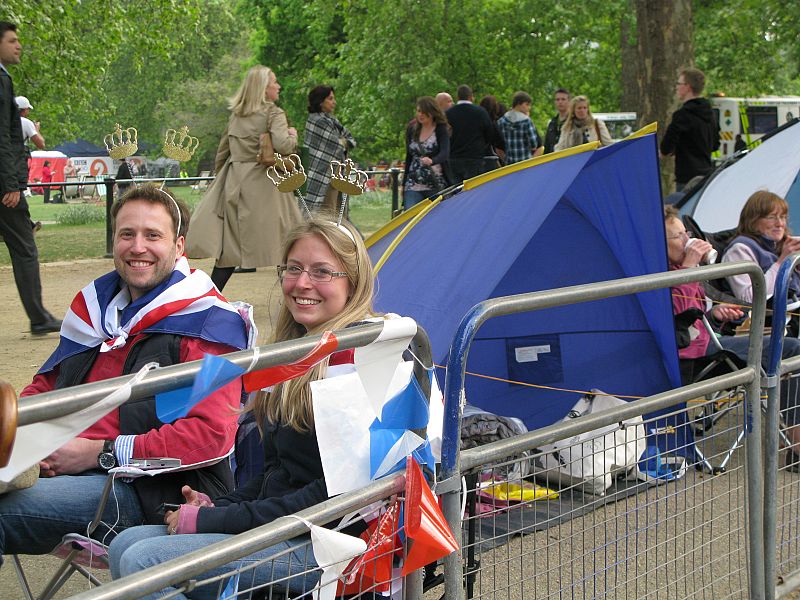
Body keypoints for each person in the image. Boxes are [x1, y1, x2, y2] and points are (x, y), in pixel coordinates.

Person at [109, 217, 395, 599]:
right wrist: (216, 505)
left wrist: (215, 519)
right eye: (293, 268)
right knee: (125, 544)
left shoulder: (360, 360)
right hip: (296, 527)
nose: (302, 283)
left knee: (144, 561)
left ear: (353, 282)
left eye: (322, 272)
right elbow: (277, 474)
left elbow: (334, 499)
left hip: (339, 548)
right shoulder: (293, 354)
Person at [0, 183, 250, 564]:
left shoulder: (210, 325)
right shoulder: (96, 311)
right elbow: (49, 385)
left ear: (179, 246)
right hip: (63, 467)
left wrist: (96, 453)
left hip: (144, 489)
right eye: (127, 234)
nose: (138, 247)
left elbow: (209, 436)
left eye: (153, 235)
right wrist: (21, 431)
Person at [665, 205, 800, 456]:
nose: (688, 240)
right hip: (699, 357)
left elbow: (695, 317)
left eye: (686, 233)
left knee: (790, 348)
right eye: (678, 236)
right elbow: (679, 320)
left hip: (710, 341)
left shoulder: (679, 269)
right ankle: (796, 439)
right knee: (792, 349)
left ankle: (792, 434)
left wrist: (714, 314)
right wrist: (690, 266)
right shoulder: (667, 273)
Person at [185, 65, 301, 292]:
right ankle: (294, 300)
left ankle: (207, 298)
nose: (278, 86)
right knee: (286, 243)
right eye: (274, 82)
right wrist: (292, 136)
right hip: (268, 186)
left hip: (236, 185)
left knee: (230, 251)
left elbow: (222, 153)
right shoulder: (273, 113)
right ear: (263, 88)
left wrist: (223, 180)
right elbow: (282, 145)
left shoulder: (236, 117)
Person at [0, 21, 61, 335]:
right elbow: (3, 136)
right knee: (25, 247)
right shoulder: (0, 80)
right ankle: (38, 318)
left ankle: (39, 316)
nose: (18, 45)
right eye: (12, 40)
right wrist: (10, 184)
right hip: (3, 187)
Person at [721, 190, 800, 304]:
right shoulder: (739, 250)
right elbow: (748, 297)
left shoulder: (781, 245)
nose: (780, 224)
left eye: (782, 217)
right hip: (766, 318)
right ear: (753, 220)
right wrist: (782, 263)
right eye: (772, 217)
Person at [660, 67, 720, 191]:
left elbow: (665, 149)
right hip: (706, 174)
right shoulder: (711, 113)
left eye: (679, 83)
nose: (676, 87)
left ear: (687, 87)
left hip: (686, 178)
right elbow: (715, 145)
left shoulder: (682, 115)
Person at [304, 85, 357, 213]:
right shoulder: (317, 121)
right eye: (330, 99)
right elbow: (336, 145)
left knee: (337, 212)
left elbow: (351, 140)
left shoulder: (332, 121)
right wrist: (342, 142)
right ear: (320, 101)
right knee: (326, 213)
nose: (334, 102)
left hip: (336, 173)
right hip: (321, 174)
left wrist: (343, 142)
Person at [403, 96, 450, 210]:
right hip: (413, 182)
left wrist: (433, 160)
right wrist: (404, 183)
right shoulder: (412, 130)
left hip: (434, 181)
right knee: (411, 218)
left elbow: (445, 152)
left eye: (424, 112)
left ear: (432, 112)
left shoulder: (440, 129)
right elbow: (409, 157)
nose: (421, 115)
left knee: (436, 218)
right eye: (419, 111)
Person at [445, 84, 496, 185]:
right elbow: (490, 133)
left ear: (457, 97)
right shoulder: (480, 112)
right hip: (474, 157)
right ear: (471, 96)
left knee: (456, 190)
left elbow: (444, 135)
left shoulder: (449, 113)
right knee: (474, 190)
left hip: (454, 157)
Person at [496, 91, 543, 165]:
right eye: (527, 104)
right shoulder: (526, 121)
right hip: (525, 162)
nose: (529, 108)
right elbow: (534, 145)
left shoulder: (502, 121)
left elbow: (499, 144)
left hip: (509, 163)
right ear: (519, 104)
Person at [478, 95, 506, 167]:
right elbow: (500, 142)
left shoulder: (476, 122)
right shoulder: (492, 123)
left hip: (476, 157)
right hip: (490, 158)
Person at [543, 88, 570, 154]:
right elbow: (547, 147)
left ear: (569, 101)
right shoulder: (552, 123)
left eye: (563, 99)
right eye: (557, 99)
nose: (560, 102)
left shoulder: (574, 122)